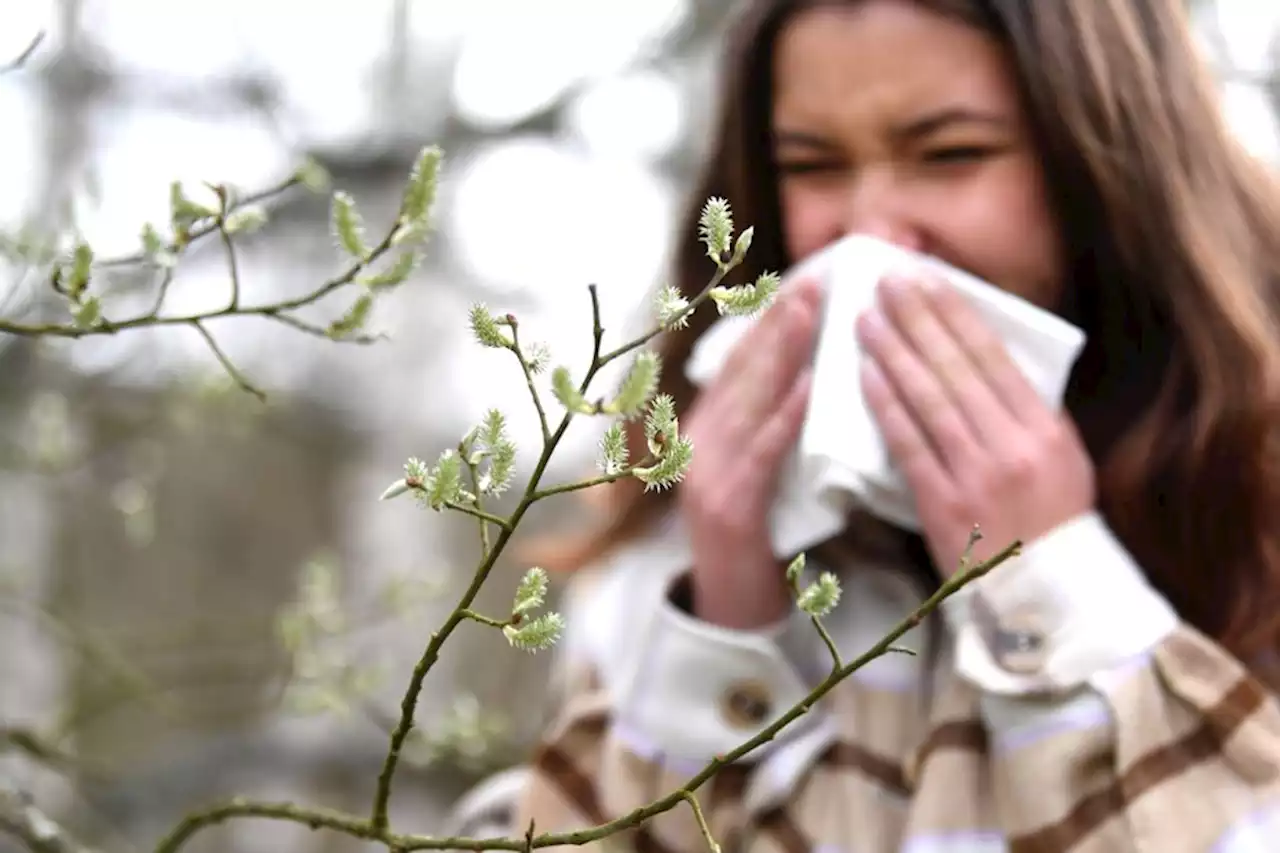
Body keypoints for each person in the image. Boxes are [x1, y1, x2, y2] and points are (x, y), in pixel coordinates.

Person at [445, 0, 1280, 850]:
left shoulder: (1258, 499)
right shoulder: (674, 547)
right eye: (812, 165)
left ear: (1112, 164)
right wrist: (726, 625)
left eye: (952, 154)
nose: (873, 231)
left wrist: (1054, 589)